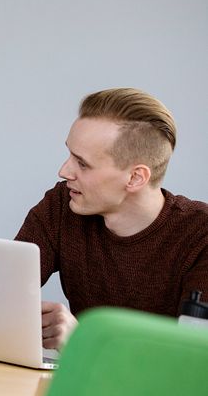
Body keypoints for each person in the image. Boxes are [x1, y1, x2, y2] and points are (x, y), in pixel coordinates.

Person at [16, 88, 208, 349]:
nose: (64, 171)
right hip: (86, 383)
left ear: (135, 178)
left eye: (82, 164)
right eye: (70, 155)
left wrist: (84, 340)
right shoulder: (63, 204)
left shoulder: (201, 236)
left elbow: (191, 365)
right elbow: (0, 291)